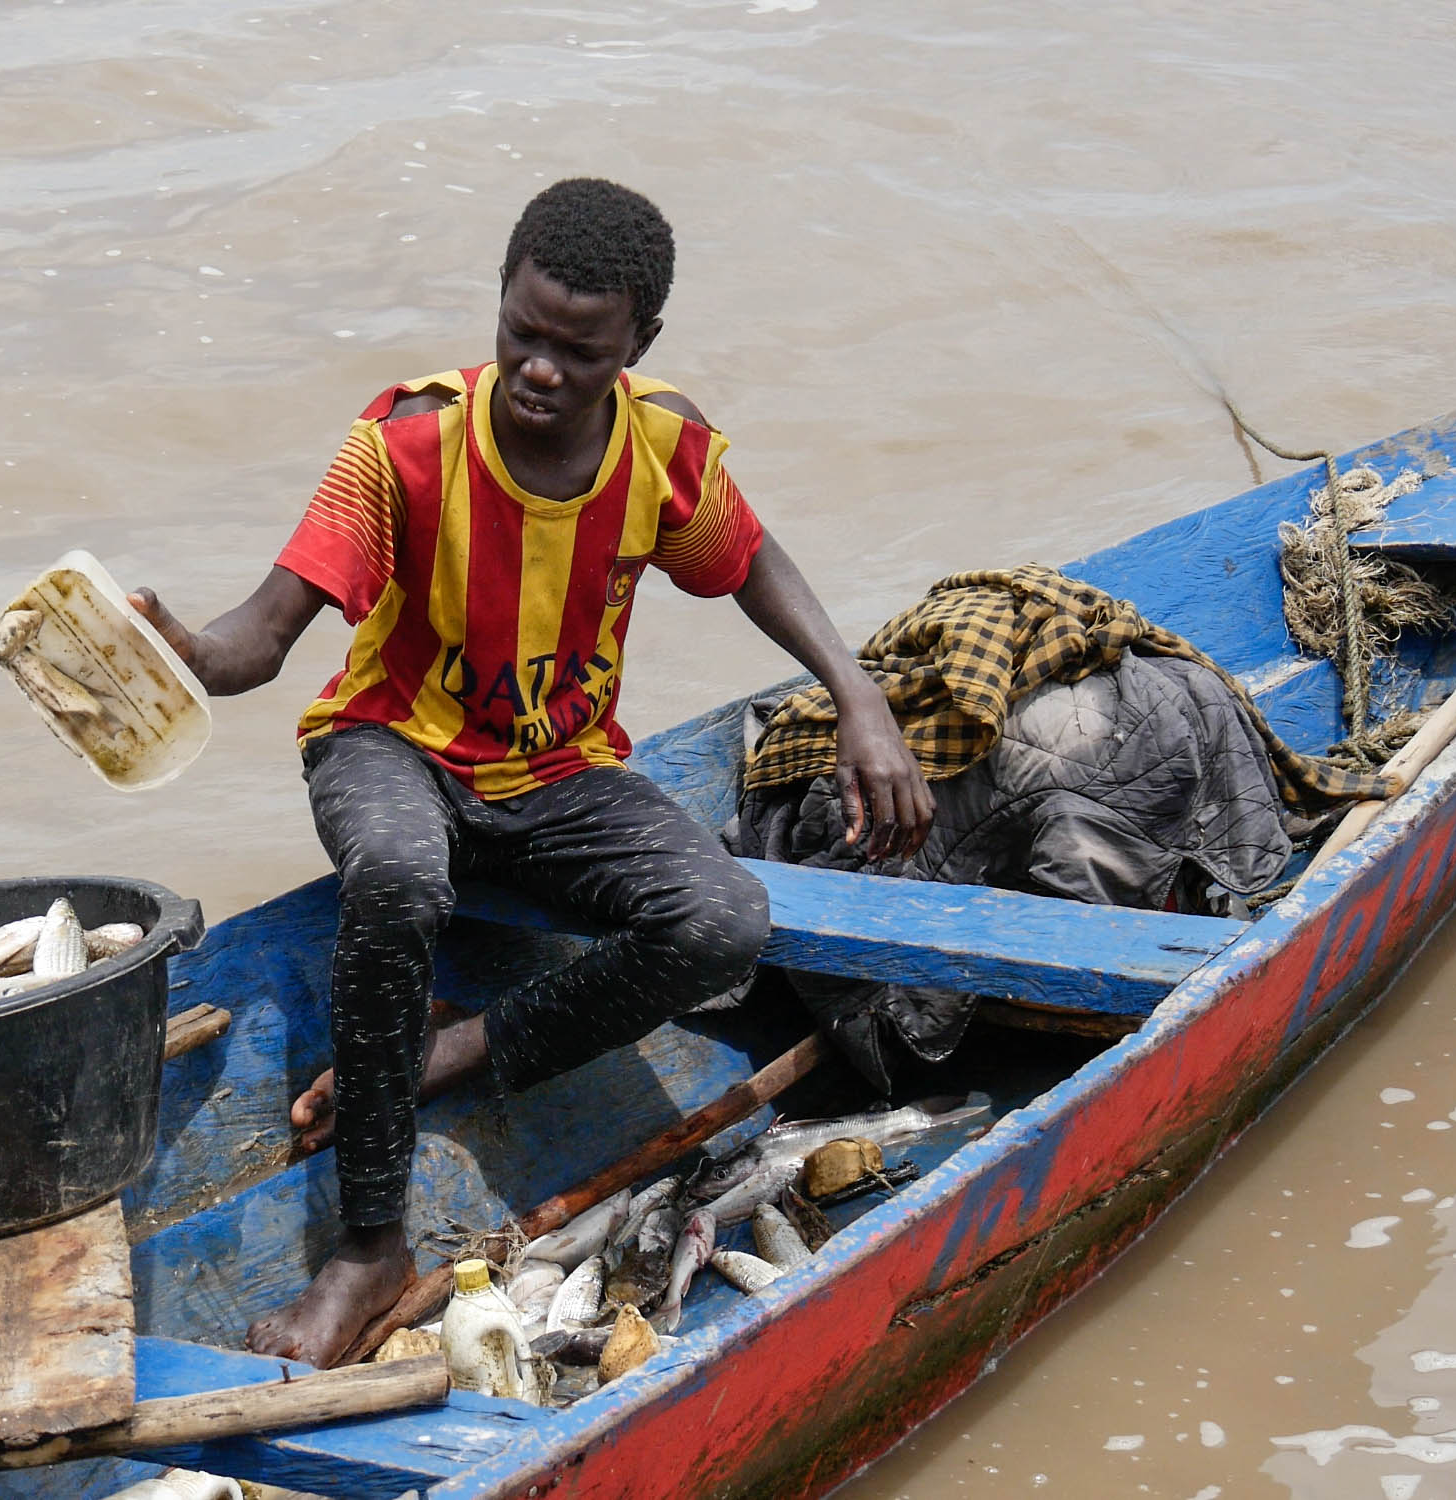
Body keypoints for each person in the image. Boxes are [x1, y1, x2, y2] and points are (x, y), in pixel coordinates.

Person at [129, 177, 931, 1367]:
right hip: (390, 743)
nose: (541, 369)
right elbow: (259, 635)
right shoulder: (405, 445)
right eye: (523, 334)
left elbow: (751, 560)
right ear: (499, 304)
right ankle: (366, 1251)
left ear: (637, 346)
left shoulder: (662, 451)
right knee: (398, 879)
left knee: (723, 922)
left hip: (559, 770)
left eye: (577, 350)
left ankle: (460, 1046)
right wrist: (180, 651)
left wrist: (857, 696)